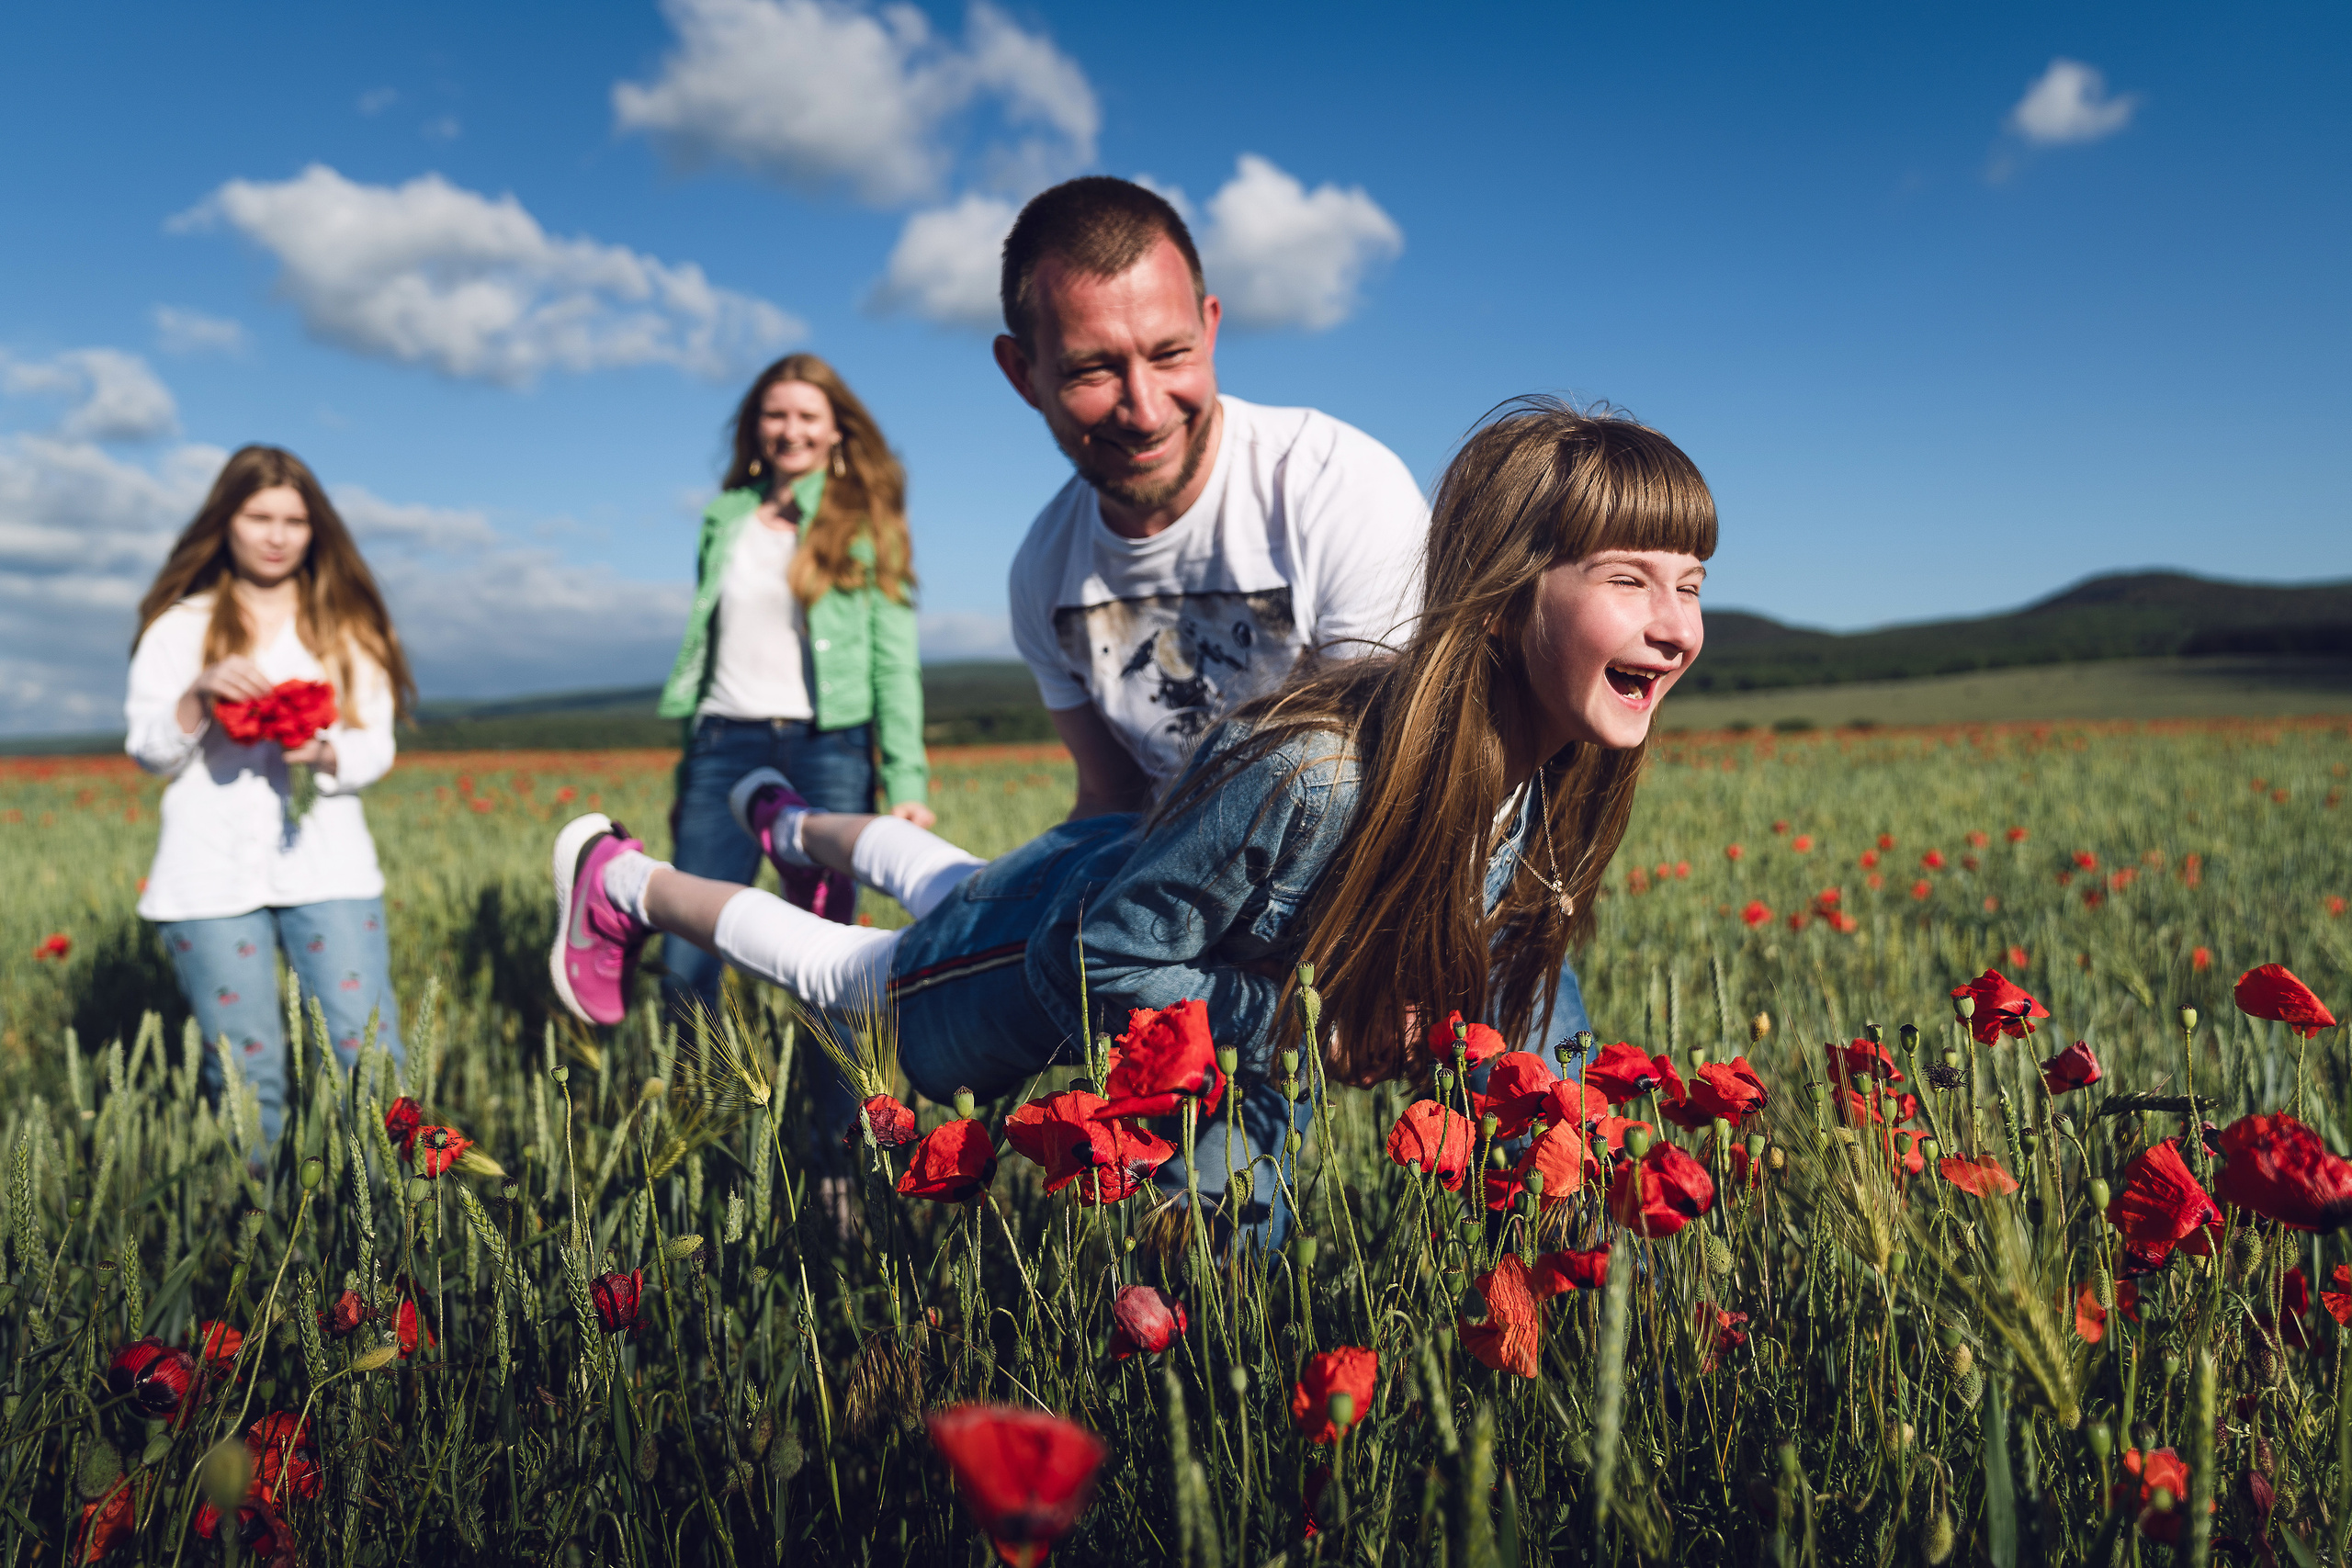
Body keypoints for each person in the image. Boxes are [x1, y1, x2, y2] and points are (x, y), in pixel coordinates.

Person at [550, 402, 1712, 1247]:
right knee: (852, 971)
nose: (1675, 626)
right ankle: (622, 880)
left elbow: (1500, 975)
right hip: (1048, 951)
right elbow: (1103, 958)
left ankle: (788, 818)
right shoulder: (1320, 776)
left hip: (1129, 879)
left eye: (1692, 584)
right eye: (1630, 580)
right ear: (1502, 597)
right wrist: (1312, 1029)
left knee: (953, 878)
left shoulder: (1547, 777)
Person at [992, 176, 1428, 815]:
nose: (1145, 412)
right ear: (1022, 374)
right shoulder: (1043, 570)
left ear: (1210, 327)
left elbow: (1383, 793)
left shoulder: (1338, 489)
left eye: (1171, 354)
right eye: (1093, 369)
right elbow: (1112, 800)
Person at [127, 445, 416, 1150]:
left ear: (316, 528)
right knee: (244, 1072)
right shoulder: (179, 627)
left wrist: (325, 752)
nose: (277, 535)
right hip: (208, 876)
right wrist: (199, 694)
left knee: (367, 1054)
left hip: (330, 869)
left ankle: (400, 1208)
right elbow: (149, 749)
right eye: (259, 517)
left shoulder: (347, 626)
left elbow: (376, 745)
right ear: (225, 520)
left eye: (295, 520)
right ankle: (259, 1211)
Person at [655, 353, 933, 1040]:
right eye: (775, 414)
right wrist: (688, 774)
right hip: (724, 742)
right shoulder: (725, 517)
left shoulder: (866, 521)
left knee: (830, 964)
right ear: (755, 426)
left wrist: (905, 779)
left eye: (808, 415)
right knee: (685, 956)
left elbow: (894, 659)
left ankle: (839, 1111)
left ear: (837, 429)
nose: (791, 430)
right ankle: (703, 1103)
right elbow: (707, 646)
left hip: (828, 747)